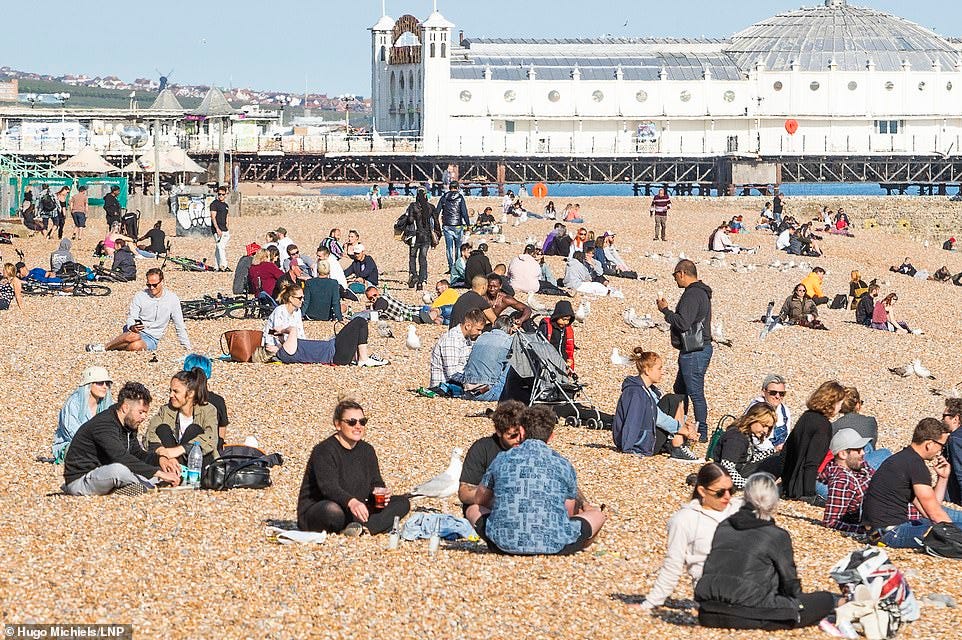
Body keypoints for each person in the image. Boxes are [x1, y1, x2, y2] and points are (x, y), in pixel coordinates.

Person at [695, 473, 837, 630]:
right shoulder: (777, 535)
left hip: (708, 612)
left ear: (746, 497)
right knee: (825, 599)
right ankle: (846, 604)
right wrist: (797, 602)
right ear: (774, 501)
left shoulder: (724, 526)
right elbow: (790, 584)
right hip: (750, 614)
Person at [466, 405, 607, 555]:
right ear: (551, 436)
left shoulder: (502, 458)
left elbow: (480, 499)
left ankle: (505, 537)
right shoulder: (563, 464)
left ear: (521, 431)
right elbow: (568, 511)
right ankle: (579, 547)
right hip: (555, 544)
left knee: (472, 509)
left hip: (502, 543)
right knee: (598, 515)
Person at [297, 399, 410, 535]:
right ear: (338, 424)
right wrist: (351, 502)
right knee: (332, 511)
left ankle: (361, 529)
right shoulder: (324, 450)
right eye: (351, 422)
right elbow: (328, 488)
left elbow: (376, 482)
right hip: (322, 508)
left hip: (357, 507)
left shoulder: (367, 450)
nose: (358, 426)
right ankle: (365, 526)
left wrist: (381, 492)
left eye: (362, 422)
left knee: (402, 502)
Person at [637, 464, 740, 612]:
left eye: (731, 490)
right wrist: (650, 603)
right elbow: (673, 564)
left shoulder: (738, 508)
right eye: (720, 492)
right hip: (713, 587)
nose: (727, 496)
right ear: (702, 491)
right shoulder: (684, 520)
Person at [62, 382, 181, 496]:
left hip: (103, 475)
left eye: (145, 413)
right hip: (81, 480)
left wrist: (160, 460)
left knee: (148, 471)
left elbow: (137, 454)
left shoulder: (129, 423)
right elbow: (120, 457)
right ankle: (145, 485)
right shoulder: (104, 425)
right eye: (141, 412)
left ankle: (134, 486)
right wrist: (159, 473)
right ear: (125, 407)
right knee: (119, 470)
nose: (144, 417)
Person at [862, 418, 962, 548]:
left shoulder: (902, 459)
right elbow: (934, 514)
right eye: (942, 445)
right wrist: (953, 536)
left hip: (875, 534)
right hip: (892, 533)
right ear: (929, 444)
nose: (940, 451)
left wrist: (943, 478)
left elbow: (929, 509)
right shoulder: (915, 466)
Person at [263, 283, 387, 367]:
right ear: (290, 298)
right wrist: (273, 345)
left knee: (358, 324)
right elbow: (272, 331)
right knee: (359, 321)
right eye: (300, 298)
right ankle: (363, 359)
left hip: (319, 347)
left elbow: (299, 334)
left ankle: (362, 358)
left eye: (303, 297)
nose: (302, 300)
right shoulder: (280, 311)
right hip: (329, 352)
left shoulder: (296, 312)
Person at [658, 259, 713, 441]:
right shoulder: (701, 292)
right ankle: (681, 425)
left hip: (695, 350)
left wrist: (665, 311)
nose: (675, 280)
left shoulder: (693, 294)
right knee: (680, 388)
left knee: (695, 391)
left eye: (675, 276)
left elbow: (683, 323)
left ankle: (701, 431)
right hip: (696, 349)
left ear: (682, 273)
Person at [612, 349, 700, 461]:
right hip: (639, 443)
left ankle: (678, 445)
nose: (662, 372)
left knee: (677, 399)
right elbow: (657, 417)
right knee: (672, 399)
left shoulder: (649, 390)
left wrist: (687, 424)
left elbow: (659, 411)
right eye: (659, 369)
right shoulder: (636, 392)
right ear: (647, 370)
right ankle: (677, 447)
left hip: (645, 438)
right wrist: (685, 431)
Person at [87, 268, 191, 353]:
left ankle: (114, 346)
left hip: (152, 338)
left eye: (154, 285)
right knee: (134, 336)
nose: (151, 288)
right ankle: (104, 347)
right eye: (148, 285)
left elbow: (179, 325)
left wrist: (187, 347)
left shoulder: (172, 299)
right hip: (135, 331)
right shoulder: (140, 296)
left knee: (136, 346)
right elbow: (132, 316)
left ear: (162, 282)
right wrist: (132, 326)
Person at [780, 380, 846, 503]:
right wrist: (809, 495)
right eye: (840, 403)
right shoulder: (823, 425)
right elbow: (812, 463)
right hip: (802, 488)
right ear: (832, 403)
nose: (840, 407)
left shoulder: (806, 416)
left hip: (790, 483)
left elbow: (785, 452)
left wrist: (785, 483)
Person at [144, 369, 219, 468]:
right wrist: (164, 453)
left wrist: (180, 449)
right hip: (170, 461)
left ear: (191, 393)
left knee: (194, 429)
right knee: (162, 428)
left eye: (176, 391)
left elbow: (211, 438)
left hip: (198, 463)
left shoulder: (208, 410)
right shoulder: (166, 410)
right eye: (170, 391)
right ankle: (174, 470)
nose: (171, 395)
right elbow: (149, 435)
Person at [459, 401, 526, 509]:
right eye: (512, 435)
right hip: (488, 507)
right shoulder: (482, 448)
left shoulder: (530, 447)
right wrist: (496, 496)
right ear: (499, 431)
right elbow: (465, 492)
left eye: (522, 435)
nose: (519, 440)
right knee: (473, 510)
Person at [52, 366, 114, 463]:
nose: (105, 386)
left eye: (107, 383)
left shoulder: (107, 405)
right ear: (89, 384)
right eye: (100, 383)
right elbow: (73, 433)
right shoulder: (73, 404)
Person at [819, 428, 875, 534]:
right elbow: (830, 522)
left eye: (862, 448)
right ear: (843, 454)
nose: (863, 452)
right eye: (858, 450)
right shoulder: (842, 482)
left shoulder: (860, 465)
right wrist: (863, 531)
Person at [714, 404, 780, 488]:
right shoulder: (736, 439)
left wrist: (774, 450)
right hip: (734, 477)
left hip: (742, 470)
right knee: (778, 461)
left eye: (769, 428)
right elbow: (727, 469)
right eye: (764, 425)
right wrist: (748, 484)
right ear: (752, 419)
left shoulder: (745, 435)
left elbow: (750, 458)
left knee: (777, 456)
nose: (766, 431)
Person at [462, 315, 515, 401]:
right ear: (510, 329)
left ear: (494, 325)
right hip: (489, 392)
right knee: (515, 361)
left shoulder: (482, 337)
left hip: (468, 391)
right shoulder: (508, 341)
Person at [429, 308, 485, 388]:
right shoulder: (452, 340)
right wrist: (473, 382)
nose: (480, 333)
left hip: (456, 384)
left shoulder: (466, 338)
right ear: (468, 326)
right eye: (478, 329)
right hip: (443, 388)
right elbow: (452, 374)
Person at [183, 354, 229, 450]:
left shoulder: (181, 398)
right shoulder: (218, 400)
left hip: (184, 447)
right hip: (211, 447)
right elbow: (222, 428)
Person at [402, 188, 439, 290]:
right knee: (423, 258)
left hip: (415, 235)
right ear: (426, 195)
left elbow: (409, 220)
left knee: (412, 257)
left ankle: (413, 275)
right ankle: (421, 281)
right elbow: (436, 222)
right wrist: (438, 235)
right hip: (426, 236)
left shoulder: (413, 206)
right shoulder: (430, 207)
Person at [745, 374, 792, 452]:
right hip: (758, 453)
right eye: (773, 393)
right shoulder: (757, 409)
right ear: (764, 392)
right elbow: (756, 440)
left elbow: (787, 434)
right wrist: (774, 450)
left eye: (782, 393)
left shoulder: (785, 410)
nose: (777, 396)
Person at [436, 180, 470, 274]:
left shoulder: (444, 197)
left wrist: (436, 225)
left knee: (449, 248)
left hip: (447, 225)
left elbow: (437, 211)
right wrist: (468, 224)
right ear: (458, 188)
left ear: (449, 187)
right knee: (458, 247)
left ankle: (451, 267)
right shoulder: (460, 197)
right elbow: (464, 212)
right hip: (458, 225)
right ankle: (458, 267)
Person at [365, 286, 439, 324]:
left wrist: (369, 309)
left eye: (375, 295)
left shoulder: (380, 301)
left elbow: (375, 315)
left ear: (378, 292)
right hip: (418, 308)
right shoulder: (385, 296)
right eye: (371, 298)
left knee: (435, 316)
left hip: (415, 315)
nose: (374, 298)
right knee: (441, 317)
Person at [538, 300, 576, 370]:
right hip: (549, 360)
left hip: (563, 360)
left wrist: (569, 359)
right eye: (564, 319)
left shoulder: (567, 329)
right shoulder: (547, 327)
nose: (566, 322)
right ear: (557, 316)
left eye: (568, 320)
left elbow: (568, 347)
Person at [943, 399, 962, 505]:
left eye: (944, 416)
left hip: (955, 499)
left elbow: (960, 472)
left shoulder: (955, 439)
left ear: (955, 418)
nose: (942, 420)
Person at [210, 186, 231, 272]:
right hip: (217, 229)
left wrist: (227, 226)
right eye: (219, 194)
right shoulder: (214, 204)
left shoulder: (226, 205)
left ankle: (216, 266)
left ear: (226, 194)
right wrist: (217, 229)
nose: (220, 196)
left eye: (222, 194)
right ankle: (224, 265)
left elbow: (226, 217)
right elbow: (213, 217)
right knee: (220, 246)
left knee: (219, 247)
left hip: (224, 228)